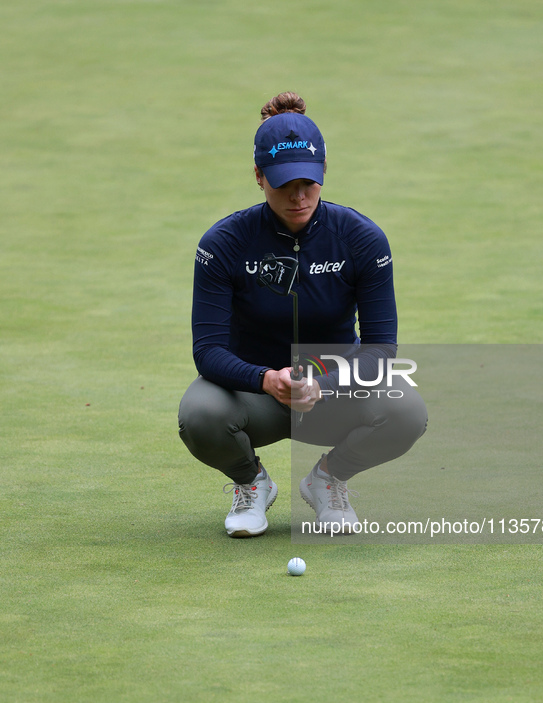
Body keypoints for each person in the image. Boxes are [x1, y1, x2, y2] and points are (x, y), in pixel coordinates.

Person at [178, 92, 427, 537]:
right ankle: (251, 484)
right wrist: (266, 379)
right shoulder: (223, 244)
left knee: (406, 410)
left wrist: (322, 383)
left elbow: (381, 348)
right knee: (200, 413)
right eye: (282, 184)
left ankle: (327, 479)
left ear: (324, 172)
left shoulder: (361, 240)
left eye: (308, 183)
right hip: (254, 391)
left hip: (332, 388)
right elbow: (209, 351)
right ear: (258, 176)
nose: (298, 197)